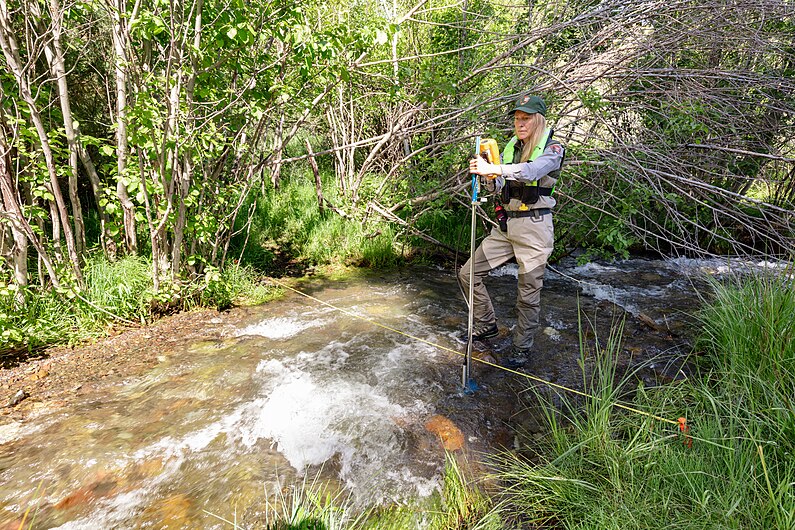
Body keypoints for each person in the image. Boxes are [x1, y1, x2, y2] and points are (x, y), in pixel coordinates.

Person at [459, 94, 564, 367]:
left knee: (527, 296)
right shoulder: (510, 149)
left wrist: (494, 167)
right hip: (507, 226)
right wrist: (487, 177)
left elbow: (531, 172)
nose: (520, 123)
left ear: (538, 120)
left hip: (535, 229)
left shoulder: (553, 149)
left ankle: (521, 348)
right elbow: (499, 189)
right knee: (468, 274)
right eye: (517, 119)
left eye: (526, 118)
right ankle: (486, 325)